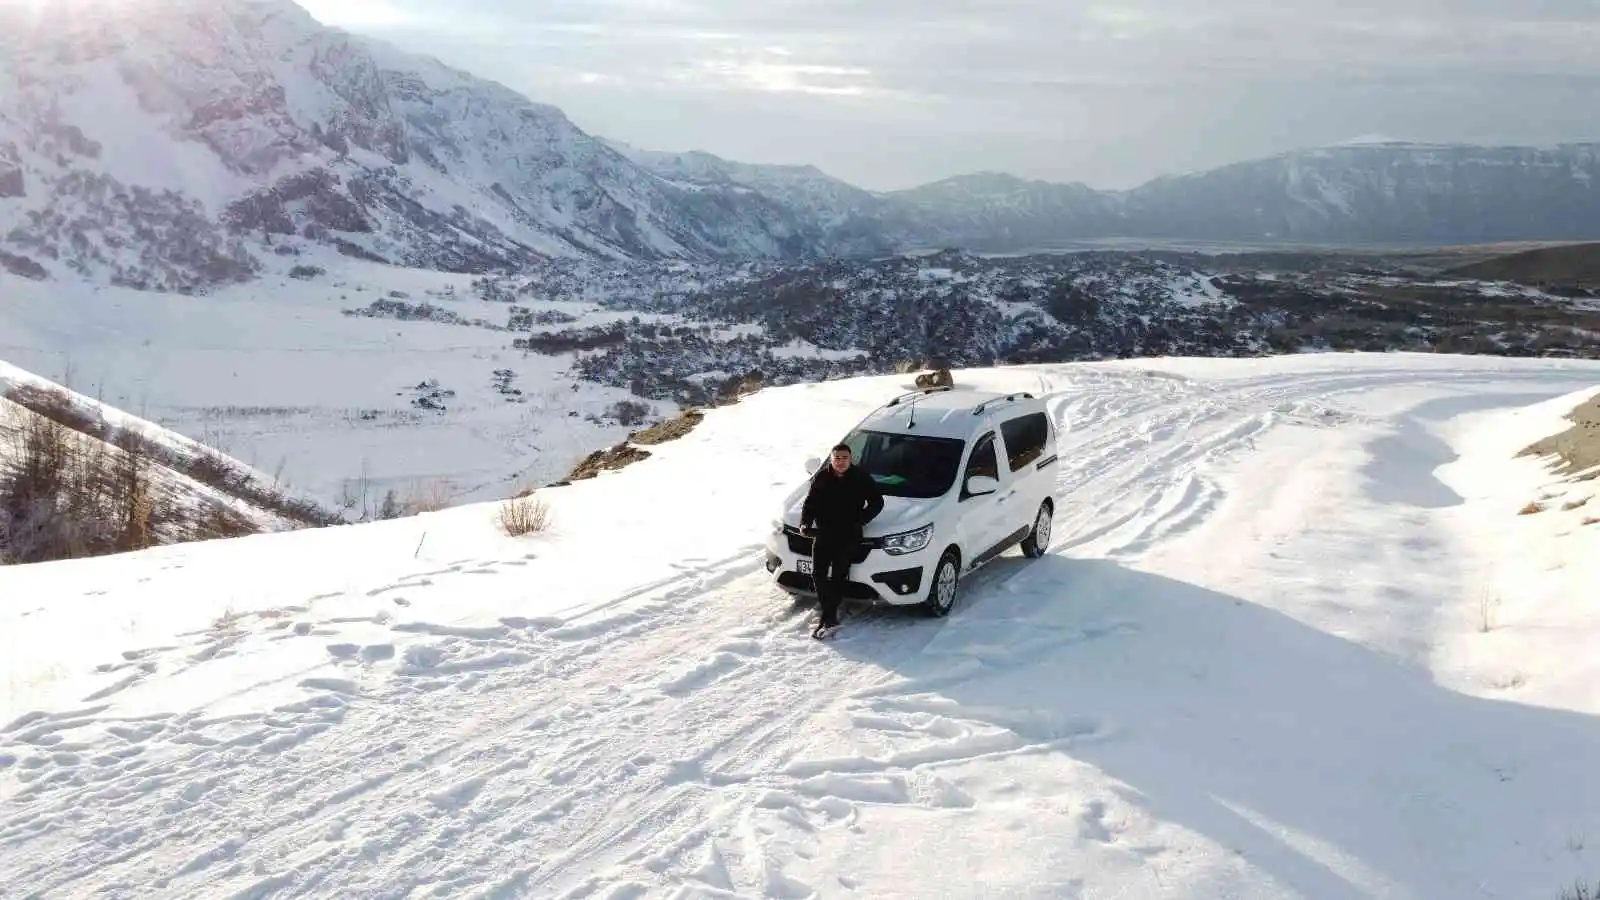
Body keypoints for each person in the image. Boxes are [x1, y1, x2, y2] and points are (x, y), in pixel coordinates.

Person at [800, 443, 885, 635]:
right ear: (831, 459)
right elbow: (810, 502)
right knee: (818, 574)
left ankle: (828, 618)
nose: (840, 462)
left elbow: (877, 502)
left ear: (850, 459)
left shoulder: (861, 477)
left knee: (838, 575)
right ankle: (829, 616)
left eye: (844, 458)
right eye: (837, 458)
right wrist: (805, 523)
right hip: (823, 533)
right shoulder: (822, 477)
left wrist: (860, 520)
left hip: (848, 535)